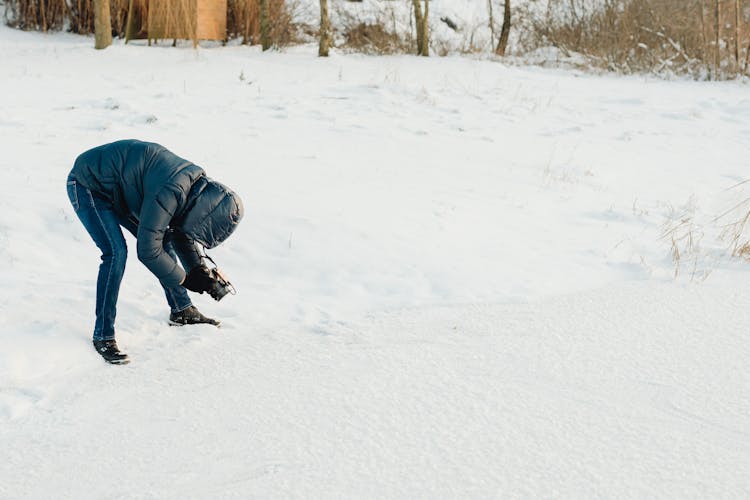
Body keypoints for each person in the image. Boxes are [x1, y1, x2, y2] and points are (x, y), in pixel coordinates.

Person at [66, 140, 244, 364]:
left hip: (119, 188)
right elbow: (148, 251)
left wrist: (199, 271)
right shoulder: (171, 191)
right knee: (116, 253)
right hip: (88, 184)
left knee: (164, 238)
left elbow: (181, 231)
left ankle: (182, 310)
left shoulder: (195, 189)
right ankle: (103, 335)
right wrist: (186, 280)